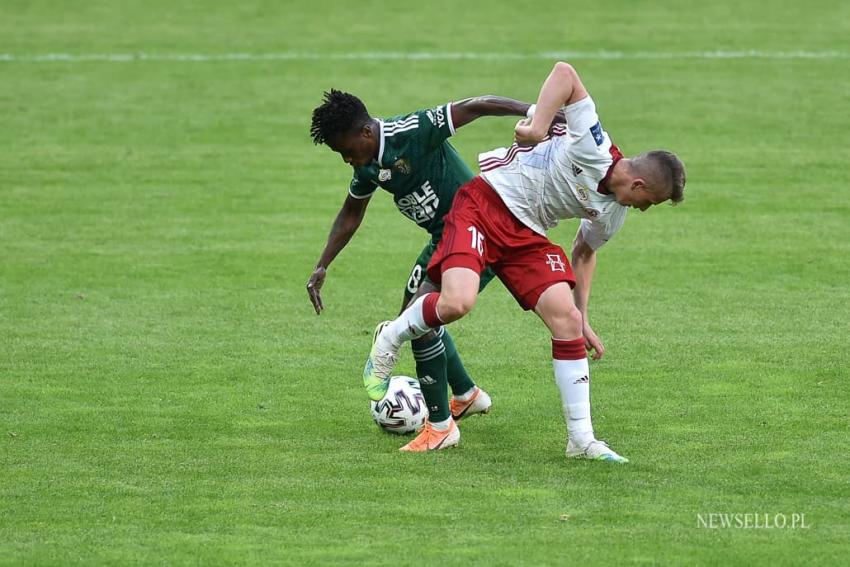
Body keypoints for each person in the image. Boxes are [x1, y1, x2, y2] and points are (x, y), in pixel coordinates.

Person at [364, 62, 686, 460]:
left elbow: (584, 253)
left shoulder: (613, 213)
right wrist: (537, 128)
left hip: (528, 234)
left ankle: (581, 440)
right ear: (638, 184)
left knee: (566, 320)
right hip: (484, 202)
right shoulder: (593, 144)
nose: (644, 210)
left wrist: (582, 315)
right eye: (648, 202)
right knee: (456, 303)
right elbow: (565, 73)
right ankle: (391, 337)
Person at [308, 90, 562, 450]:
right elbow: (351, 213)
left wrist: (535, 114)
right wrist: (322, 264)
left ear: (366, 133)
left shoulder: (410, 132)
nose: (347, 159)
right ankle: (466, 395)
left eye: (346, 150)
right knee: (414, 317)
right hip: (444, 238)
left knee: (417, 320)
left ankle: (441, 427)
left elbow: (476, 105)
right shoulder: (367, 166)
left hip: (480, 233)